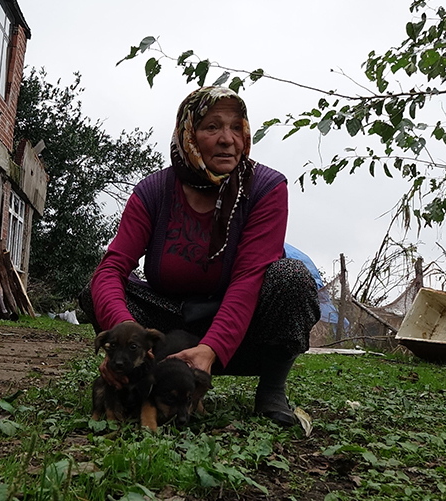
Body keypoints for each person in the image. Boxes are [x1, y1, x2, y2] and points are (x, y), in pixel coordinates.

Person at [79, 86, 320, 426]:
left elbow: (250, 277)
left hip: (239, 330)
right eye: (212, 127)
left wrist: (211, 348)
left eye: (237, 127)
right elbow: (112, 268)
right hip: (167, 331)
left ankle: (271, 391)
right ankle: (135, 382)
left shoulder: (265, 188)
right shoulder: (153, 192)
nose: (228, 139)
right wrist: (125, 341)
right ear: (188, 134)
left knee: (291, 278)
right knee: (96, 287)